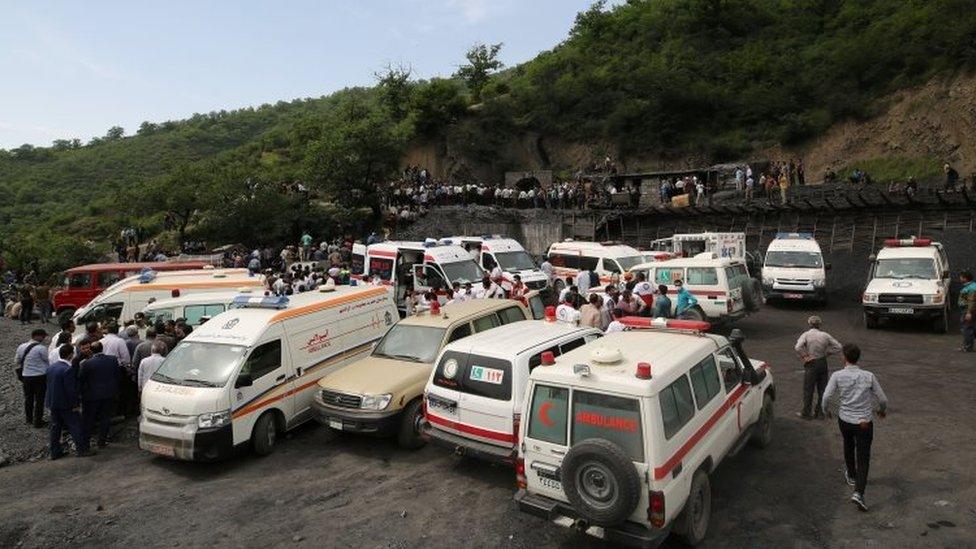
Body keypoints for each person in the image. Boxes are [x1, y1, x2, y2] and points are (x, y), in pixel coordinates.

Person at [822, 344, 888, 512]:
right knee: (864, 457)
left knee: (848, 445)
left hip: (845, 419)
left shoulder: (837, 375)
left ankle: (851, 474)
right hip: (864, 422)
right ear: (858, 358)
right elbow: (882, 399)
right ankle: (858, 492)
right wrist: (881, 411)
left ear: (844, 357)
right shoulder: (868, 376)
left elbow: (826, 396)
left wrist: (826, 410)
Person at [45, 344, 93, 459]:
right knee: (75, 426)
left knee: (55, 428)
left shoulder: (52, 367)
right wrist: (75, 404)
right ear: (71, 355)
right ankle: (81, 450)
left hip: (53, 403)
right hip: (66, 404)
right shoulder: (67, 370)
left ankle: (55, 452)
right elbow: (71, 390)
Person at [794, 315, 843, 420]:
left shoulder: (806, 335)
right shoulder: (825, 335)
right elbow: (839, 347)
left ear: (809, 324)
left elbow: (797, 347)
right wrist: (828, 352)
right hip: (822, 362)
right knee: (823, 389)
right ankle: (820, 412)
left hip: (811, 363)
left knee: (808, 389)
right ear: (820, 325)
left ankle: (806, 412)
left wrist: (805, 356)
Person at [79, 341, 122, 448]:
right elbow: (118, 376)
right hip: (108, 393)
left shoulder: (87, 363)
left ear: (91, 350)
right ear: (102, 348)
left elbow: (81, 380)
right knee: (105, 418)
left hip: (92, 395)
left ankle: (86, 443)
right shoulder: (113, 360)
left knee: (89, 420)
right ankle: (101, 441)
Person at [15, 328, 49, 427]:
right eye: (43, 336)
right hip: (40, 377)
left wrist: (20, 374)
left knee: (28, 398)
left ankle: (28, 418)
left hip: (26, 376)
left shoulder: (21, 346)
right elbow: (47, 361)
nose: (43, 338)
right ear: (36, 336)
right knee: (39, 399)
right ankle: (38, 421)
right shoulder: (41, 348)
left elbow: (17, 361)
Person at [958, 271, 976, 352]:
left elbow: (972, 301)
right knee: (970, 328)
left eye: (961, 277)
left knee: (967, 329)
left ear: (965, 278)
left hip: (968, 310)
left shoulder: (971, 288)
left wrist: (968, 312)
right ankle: (967, 346)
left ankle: (968, 347)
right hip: (969, 310)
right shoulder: (971, 286)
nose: (960, 278)